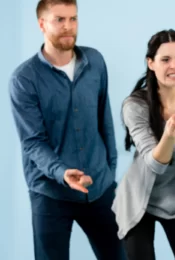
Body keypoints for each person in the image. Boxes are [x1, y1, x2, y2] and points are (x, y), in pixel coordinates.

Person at [8, 0, 125, 259]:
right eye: (59, 20)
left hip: (99, 186)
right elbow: (33, 142)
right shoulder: (24, 79)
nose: (68, 27)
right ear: (41, 24)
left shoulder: (95, 60)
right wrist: (62, 173)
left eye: (73, 19)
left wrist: (110, 170)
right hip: (50, 194)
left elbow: (103, 118)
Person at [112, 29, 175, 260]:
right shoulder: (135, 105)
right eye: (165, 59)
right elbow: (154, 164)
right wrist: (168, 137)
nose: (174, 66)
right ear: (150, 63)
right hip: (140, 201)